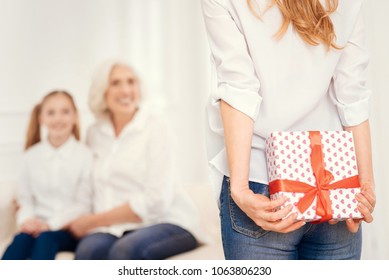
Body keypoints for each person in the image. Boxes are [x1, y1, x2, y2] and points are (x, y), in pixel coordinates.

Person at [202, 0, 376, 259]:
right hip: (333, 184)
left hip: (261, 181)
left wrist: (239, 188)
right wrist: (365, 185)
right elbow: (352, 96)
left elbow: (239, 89)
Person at [68, 60, 201, 260]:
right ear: (102, 91)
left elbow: (156, 201)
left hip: (165, 222)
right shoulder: (94, 133)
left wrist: (93, 220)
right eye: (116, 83)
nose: (125, 90)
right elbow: (85, 188)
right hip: (113, 229)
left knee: (125, 251)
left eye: (131, 82)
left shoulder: (156, 126)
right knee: (88, 251)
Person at [1, 91, 92, 260]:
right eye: (51, 113)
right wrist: (27, 221)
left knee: (46, 239)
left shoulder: (85, 156)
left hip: (67, 230)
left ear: (74, 117)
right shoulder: (30, 157)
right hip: (37, 225)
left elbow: (83, 205)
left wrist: (50, 225)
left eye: (65, 112)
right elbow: (25, 198)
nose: (58, 118)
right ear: (41, 118)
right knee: (20, 240)